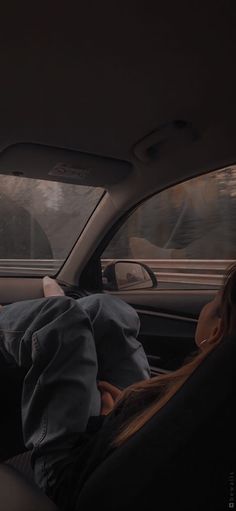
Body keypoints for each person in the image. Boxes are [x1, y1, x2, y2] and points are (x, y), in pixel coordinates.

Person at [0, 265, 235, 511]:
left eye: (213, 300)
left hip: (70, 468)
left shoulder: (217, 377)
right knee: (108, 309)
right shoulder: (215, 379)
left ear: (217, 328)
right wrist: (124, 407)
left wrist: (107, 421)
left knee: (57, 319)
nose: (206, 306)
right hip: (128, 428)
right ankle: (66, 311)